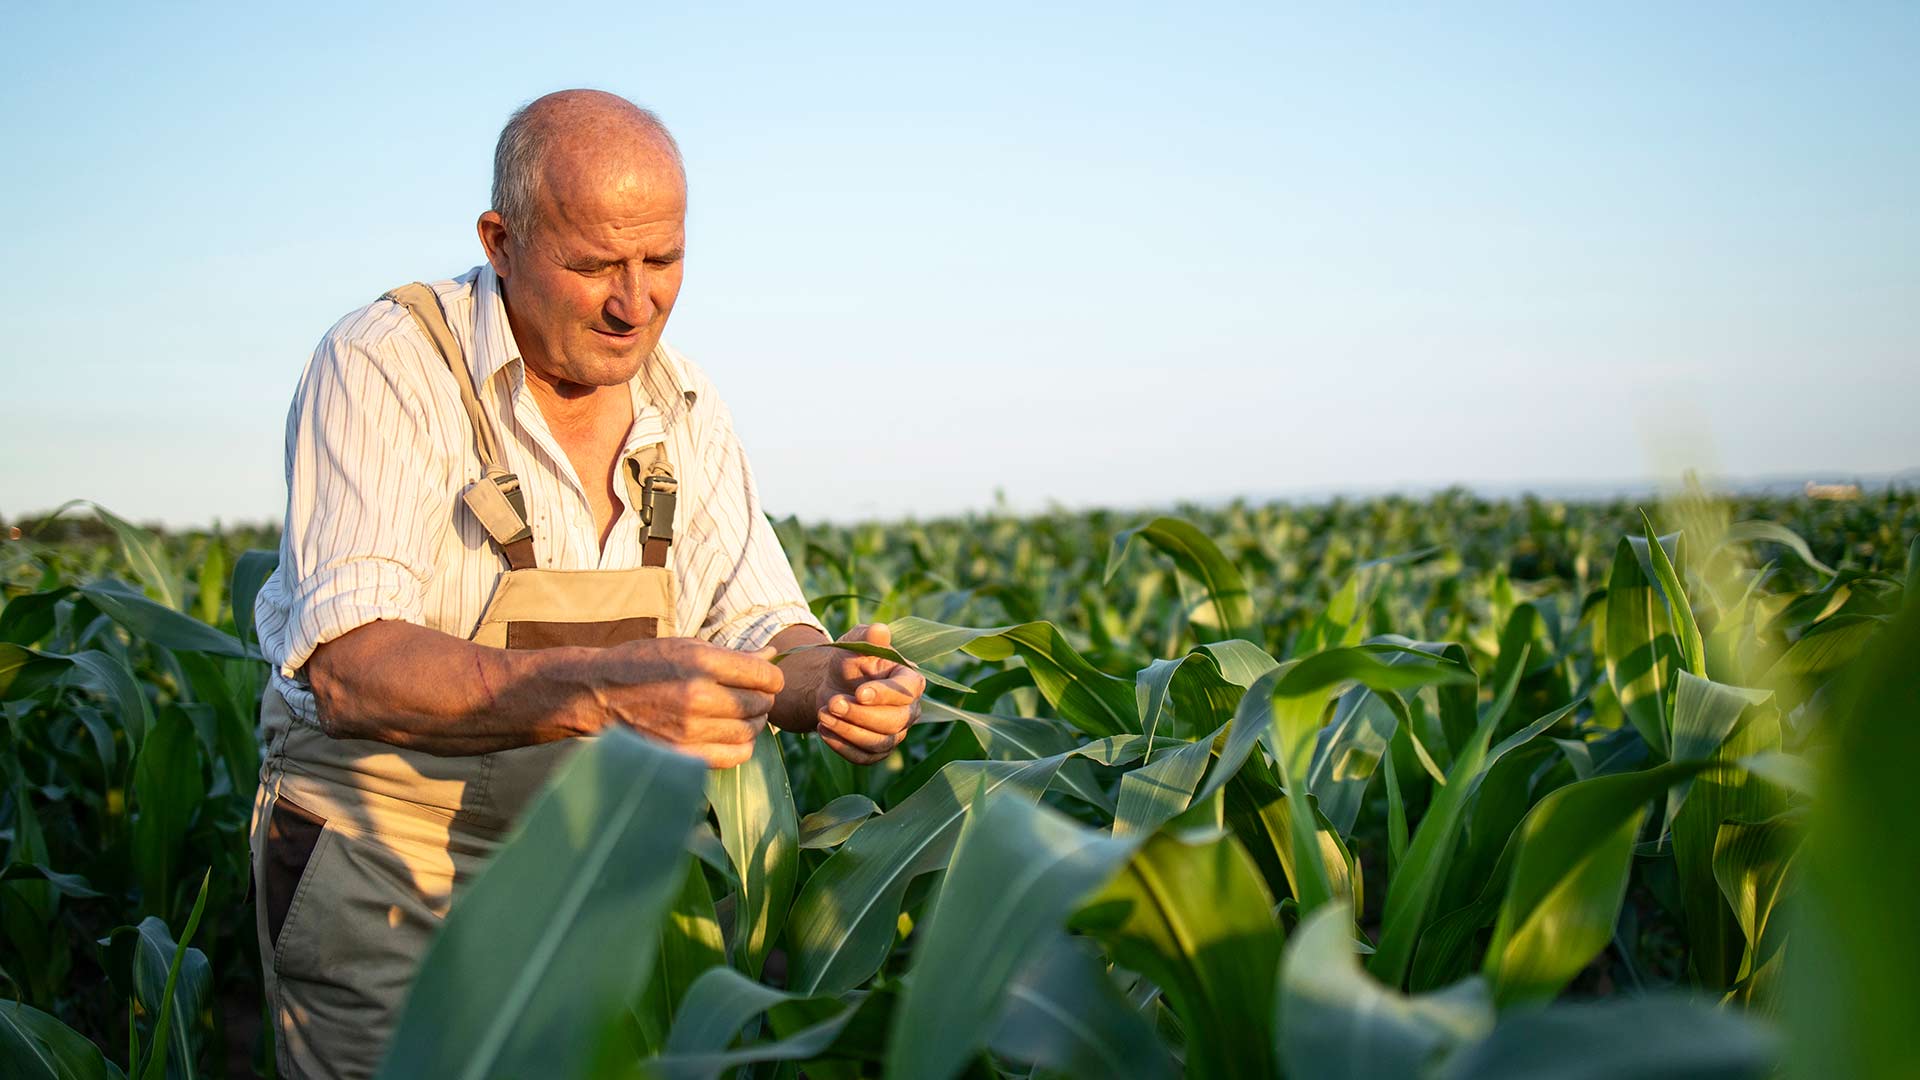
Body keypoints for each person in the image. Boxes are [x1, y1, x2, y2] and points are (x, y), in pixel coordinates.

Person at [247, 89, 924, 1080]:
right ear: (502, 240)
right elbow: (355, 668)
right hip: (383, 871)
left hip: (587, 875)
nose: (634, 302)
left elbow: (756, 621)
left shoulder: (682, 403)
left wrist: (830, 684)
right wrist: (605, 691)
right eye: (596, 264)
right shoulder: (387, 366)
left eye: (663, 260)